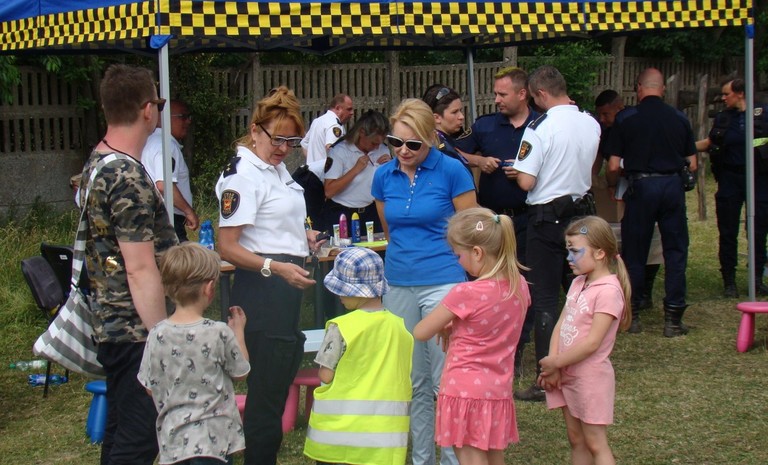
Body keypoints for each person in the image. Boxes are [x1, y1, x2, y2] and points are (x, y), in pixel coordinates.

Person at [215, 86, 324, 465]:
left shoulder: (275, 169)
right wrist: (274, 266)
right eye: (278, 139)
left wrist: (303, 236)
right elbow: (226, 246)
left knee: (275, 391)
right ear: (255, 130)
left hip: (284, 286)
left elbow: (272, 222)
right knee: (264, 401)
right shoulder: (243, 174)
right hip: (261, 290)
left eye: (293, 141)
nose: (284, 148)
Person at [79, 63, 179, 465]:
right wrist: (161, 338)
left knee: (121, 431)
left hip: (110, 322)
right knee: (141, 438)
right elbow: (139, 268)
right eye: (159, 101)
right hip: (136, 331)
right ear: (147, 110)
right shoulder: (127, 177)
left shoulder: (99, 162)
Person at [371, 98, 476, 465]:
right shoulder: (384, 175)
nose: (402, 151)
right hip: (399, 282)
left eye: (412, 144)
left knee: (443, 382)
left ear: (431, 139)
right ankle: (421, 460)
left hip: (444, 281)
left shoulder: (452, 171)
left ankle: (450, 459)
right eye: (394, 142)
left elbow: (471, 231)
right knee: (413, 382)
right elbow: (390, 231)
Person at [413, 207, 530, 465]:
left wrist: (449, 320)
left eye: (458, 255)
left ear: (477, 252)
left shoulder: (465, 293)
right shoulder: (519, 286)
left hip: (463, 391)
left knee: (470, 456)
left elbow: (421, 331)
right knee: (493, 454)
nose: (458, 261)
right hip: (497, 390)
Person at [512, 65, 600, 402]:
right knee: (579, 292)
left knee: (546, 299)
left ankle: (544, 377)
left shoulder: (539, 127)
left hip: (546, 219)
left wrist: (517, 172)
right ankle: (580, 365)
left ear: (540, 94)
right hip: (581, 216)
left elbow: (526, 181)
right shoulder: (590, 122)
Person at [138, 242, 251, 465]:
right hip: (213, 442)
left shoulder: (156, 334)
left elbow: (148, 386)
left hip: (173, 443)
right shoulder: (218, 332)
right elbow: (241, 372)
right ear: (209, 288)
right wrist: (238, 331)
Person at [606, 67, 697, 337]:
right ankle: (673, 318)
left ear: (638, 88)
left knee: (635, 251)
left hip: (641, 186)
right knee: (676, 250)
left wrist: (614, 183)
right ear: (663, 89)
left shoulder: (626, 118)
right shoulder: (680, 118)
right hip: (671, 187)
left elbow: (612, 164)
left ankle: (632, 315)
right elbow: (692, 162)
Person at [304, 247, 414, 465]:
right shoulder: (400, 328)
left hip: (339, 440)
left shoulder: (341, 327)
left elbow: (326, 375)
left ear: (354, 290)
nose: (337, 294)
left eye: (340, 289)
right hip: (385, 441)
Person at [537, 216, 631, 465]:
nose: (569, 259)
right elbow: (561, 324)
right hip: (566, 373)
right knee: (576, 439)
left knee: (595, 442)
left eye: (575, 251)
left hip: (590, 379)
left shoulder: (609, 291)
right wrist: (555, 364)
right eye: (568, 251)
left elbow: (592, 343)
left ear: (600, 253)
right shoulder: (578, 282)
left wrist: (555, 362)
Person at [695, 78, 768, 297]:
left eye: (727, 94)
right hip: (729, 178)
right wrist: (680, 147)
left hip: (759, 179)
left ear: (741, 93)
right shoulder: (723, 118)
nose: (723, 97)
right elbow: (708, 142)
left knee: (758, 230)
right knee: (728, 230)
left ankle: (756, 279)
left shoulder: (763, 114)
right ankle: (729, 281)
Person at [594, 90, 660, 311]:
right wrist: (598, 182)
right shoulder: (605, 131)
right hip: (617, 191)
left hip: (641, 186)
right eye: (600, 116)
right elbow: (599, 163)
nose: (603, 120)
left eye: (606, 114)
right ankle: (629, 290)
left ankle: (644, 291)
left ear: (619, 108)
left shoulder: (633, 123)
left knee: (650, 242)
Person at [321, 110, 392, 233]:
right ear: (362, 133)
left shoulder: (383, 149)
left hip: (372, 212)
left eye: (379, 144)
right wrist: (355, 170)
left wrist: (392, 166)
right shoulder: (339, 151)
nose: (376, 147)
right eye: (373, 143)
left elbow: (389, 186)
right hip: (342, 214)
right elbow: (329, 191)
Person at [142, 100, 199, 242]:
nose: (188, 122)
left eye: (189, 117)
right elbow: (164, 184)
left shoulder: (149, 142)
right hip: (168, 219)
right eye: (183, 116)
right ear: (165, 118)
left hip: (151, 217)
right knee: (180, 262)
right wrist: (188, 211)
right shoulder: (166, 145)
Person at [421, 84, 471, 172]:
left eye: (460, 110)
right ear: (436, 118)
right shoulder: (441, 151)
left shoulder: (445, 141)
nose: (461, 116)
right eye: (454, 112)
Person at [301, 94, 354, 163]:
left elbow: (304, 143)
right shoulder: (334, 125)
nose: (352, 113)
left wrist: (313, 163)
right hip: (327, 172)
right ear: (338, 108)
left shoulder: (318, 121)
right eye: (349, 109)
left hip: (313, 171)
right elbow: (332, 149)